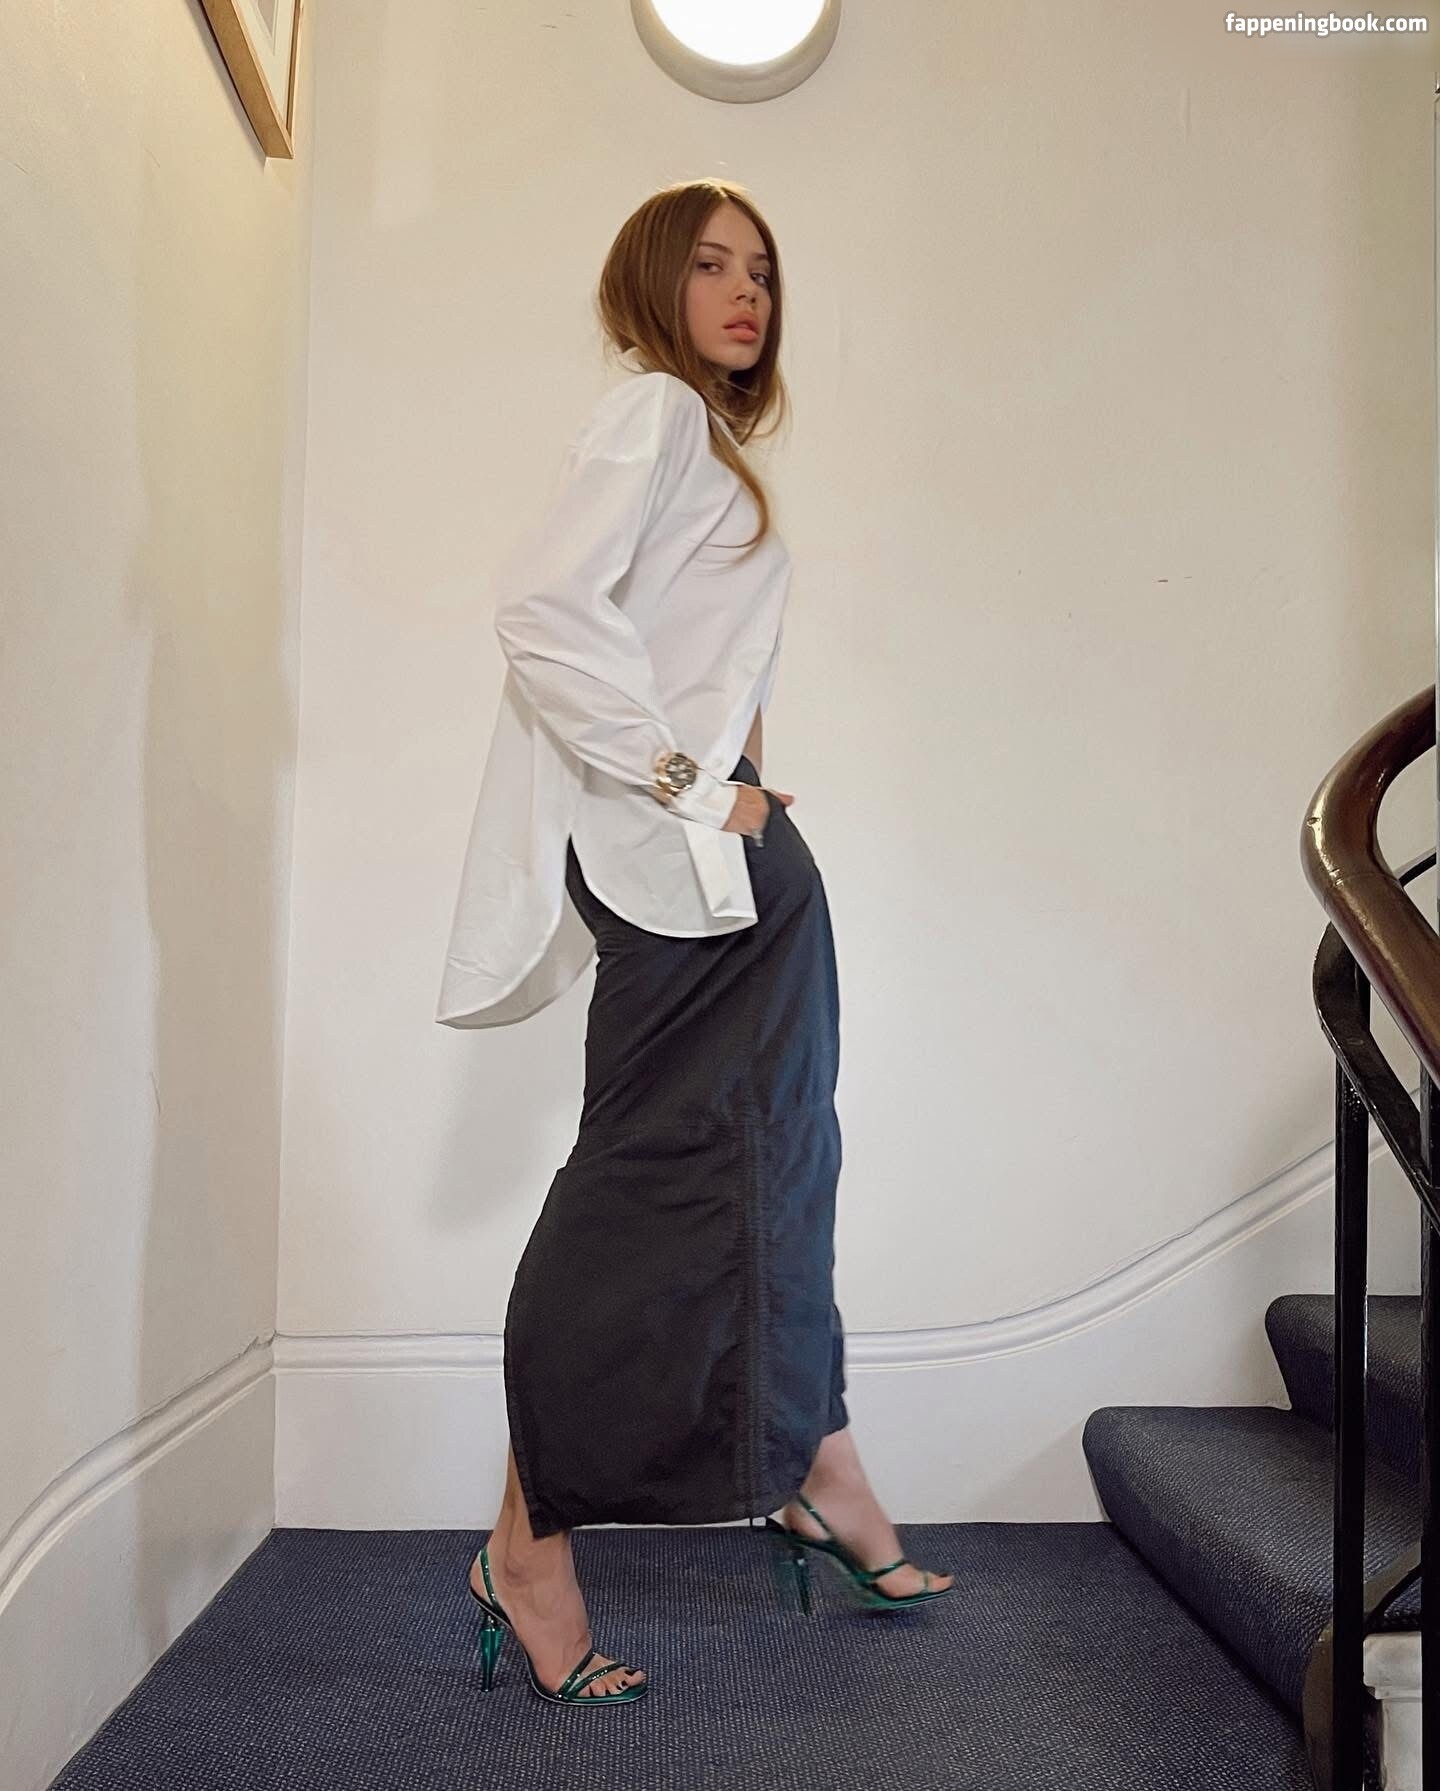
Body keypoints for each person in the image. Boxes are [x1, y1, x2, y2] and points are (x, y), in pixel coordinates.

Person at [438, 179, 953, 1706]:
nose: (746, 293)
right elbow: (543, 610)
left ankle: (820, 1470)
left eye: (764, 273)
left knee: (786, 1167)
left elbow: (705, 660)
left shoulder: (707, 446)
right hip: (676, 867)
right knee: (646, 1189)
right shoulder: (654, 413)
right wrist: (685, 781)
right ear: (652, 282)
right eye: (714, 265)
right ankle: (528, 1547)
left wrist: (741, 789)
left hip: (734, 871)